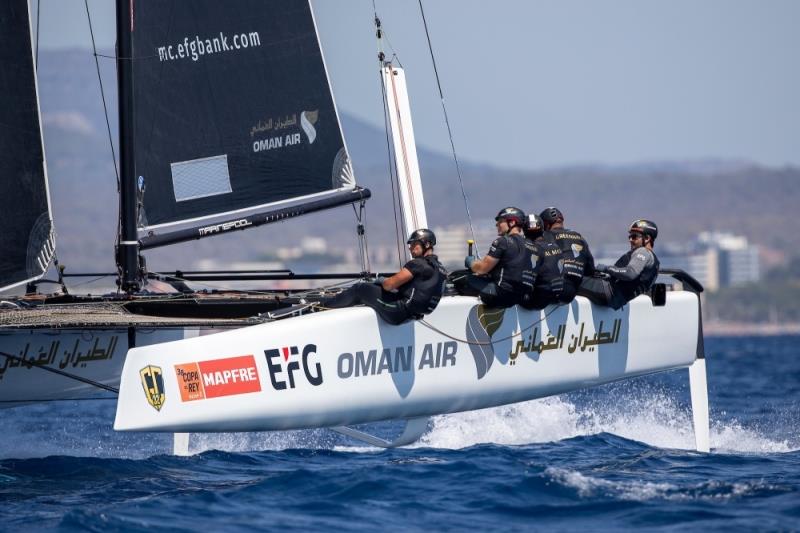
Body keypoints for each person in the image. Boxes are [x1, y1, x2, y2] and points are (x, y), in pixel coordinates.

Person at [322, 229, 447, 324]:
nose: (410, 248)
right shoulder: (441, 269)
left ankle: (322, 307)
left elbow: (388, 285)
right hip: (414, 315)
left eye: (414, 244)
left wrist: (381, 280)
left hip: (398, 312)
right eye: (410, 245)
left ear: (426, 244)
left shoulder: (417, 264)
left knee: (359, 289)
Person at [578, 219, 660, 309]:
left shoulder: (643, 252)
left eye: (634, 236)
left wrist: (607, 268)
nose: (630, 240)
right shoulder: (655, 263)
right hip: (617, 299)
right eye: (630, 237)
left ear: (647, 238)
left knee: (571, 280)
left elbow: (630, 273)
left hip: (608, 291)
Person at [463, 207, 533, 308]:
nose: (497, 225)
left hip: (500, 296)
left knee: (461, 279)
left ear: (512, 222)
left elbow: (482, 269)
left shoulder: (502, 242)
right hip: (522, 298)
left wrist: (471, 263)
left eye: (500, 221)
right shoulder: (533, 245)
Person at [539, 206, 595, 304]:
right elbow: (590, 269)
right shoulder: (579, 237)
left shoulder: (545, 236)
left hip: (552, 291)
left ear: (546, 225)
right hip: (571, 293)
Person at [520, 213, 567, 309]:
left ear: (524, 231)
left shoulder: (530, 249)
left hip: (538, 301)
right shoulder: (555, 246)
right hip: (559, 295)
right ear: (542, 229)